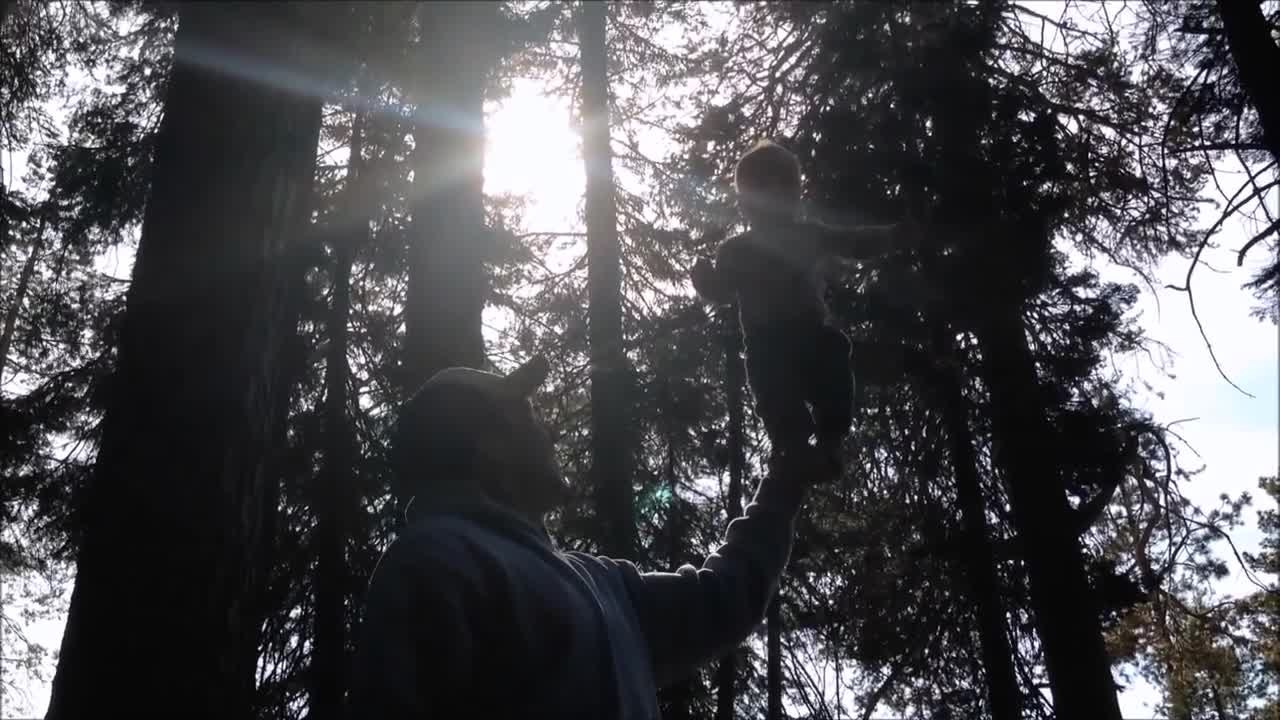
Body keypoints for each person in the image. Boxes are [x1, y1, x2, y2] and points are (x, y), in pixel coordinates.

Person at [347, 355, 818, 718]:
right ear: (485, 444)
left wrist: (783, 486)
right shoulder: (434, 560)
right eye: (526, 416)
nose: (548, 432)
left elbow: (721, 600)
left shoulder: (605, 582)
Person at [692, 139, 919, 475]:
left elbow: (854, 241)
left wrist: (896, 235)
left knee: (833, 363)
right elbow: (723, 290)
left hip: (809, 333)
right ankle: (794, 445)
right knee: (775, 391)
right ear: (748, 202)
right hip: (766, 341)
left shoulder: (804, 234)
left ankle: (828, 443)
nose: (781, 196)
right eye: (769, 189)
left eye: (787, 188)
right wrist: (704, 280)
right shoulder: (737, 250)